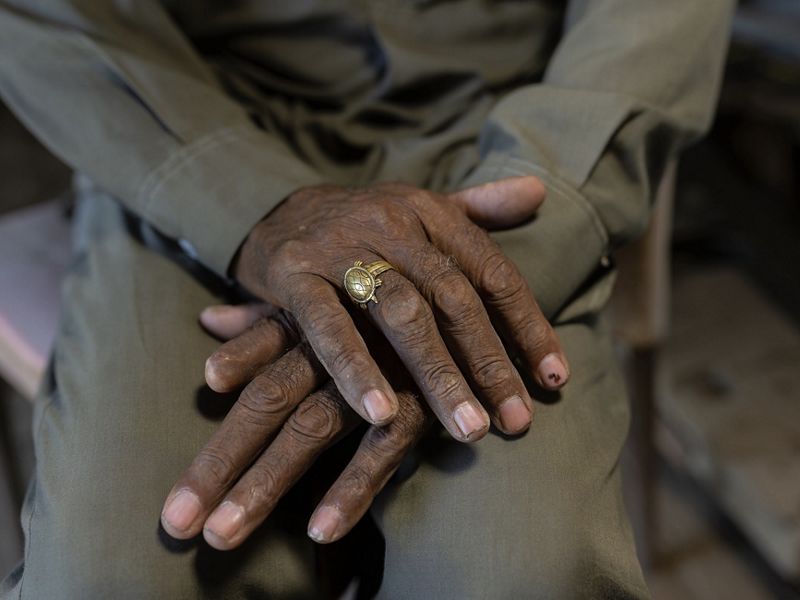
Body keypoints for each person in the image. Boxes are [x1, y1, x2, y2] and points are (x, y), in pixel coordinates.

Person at [0, 1, 733, 597]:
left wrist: (446, 291)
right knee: (110, 575)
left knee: (525, 572)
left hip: (507, 151)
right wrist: (252, 204)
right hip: (181, 113)